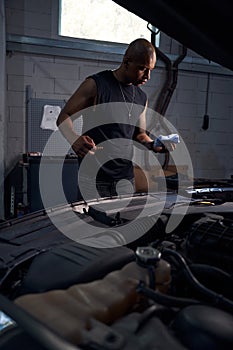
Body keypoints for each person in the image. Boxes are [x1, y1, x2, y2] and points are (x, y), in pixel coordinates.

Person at [57, 38, 175, 200]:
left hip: (125, 179)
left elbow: (139, 135)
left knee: (121, 224)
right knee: (91, 224)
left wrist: (155, 144)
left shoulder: (141, 97)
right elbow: (64, 116)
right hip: (94, 179)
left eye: (151, 70)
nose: (147, 76)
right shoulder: (96, 84)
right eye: (142, 69)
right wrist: (74, 139)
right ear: (126, 62)